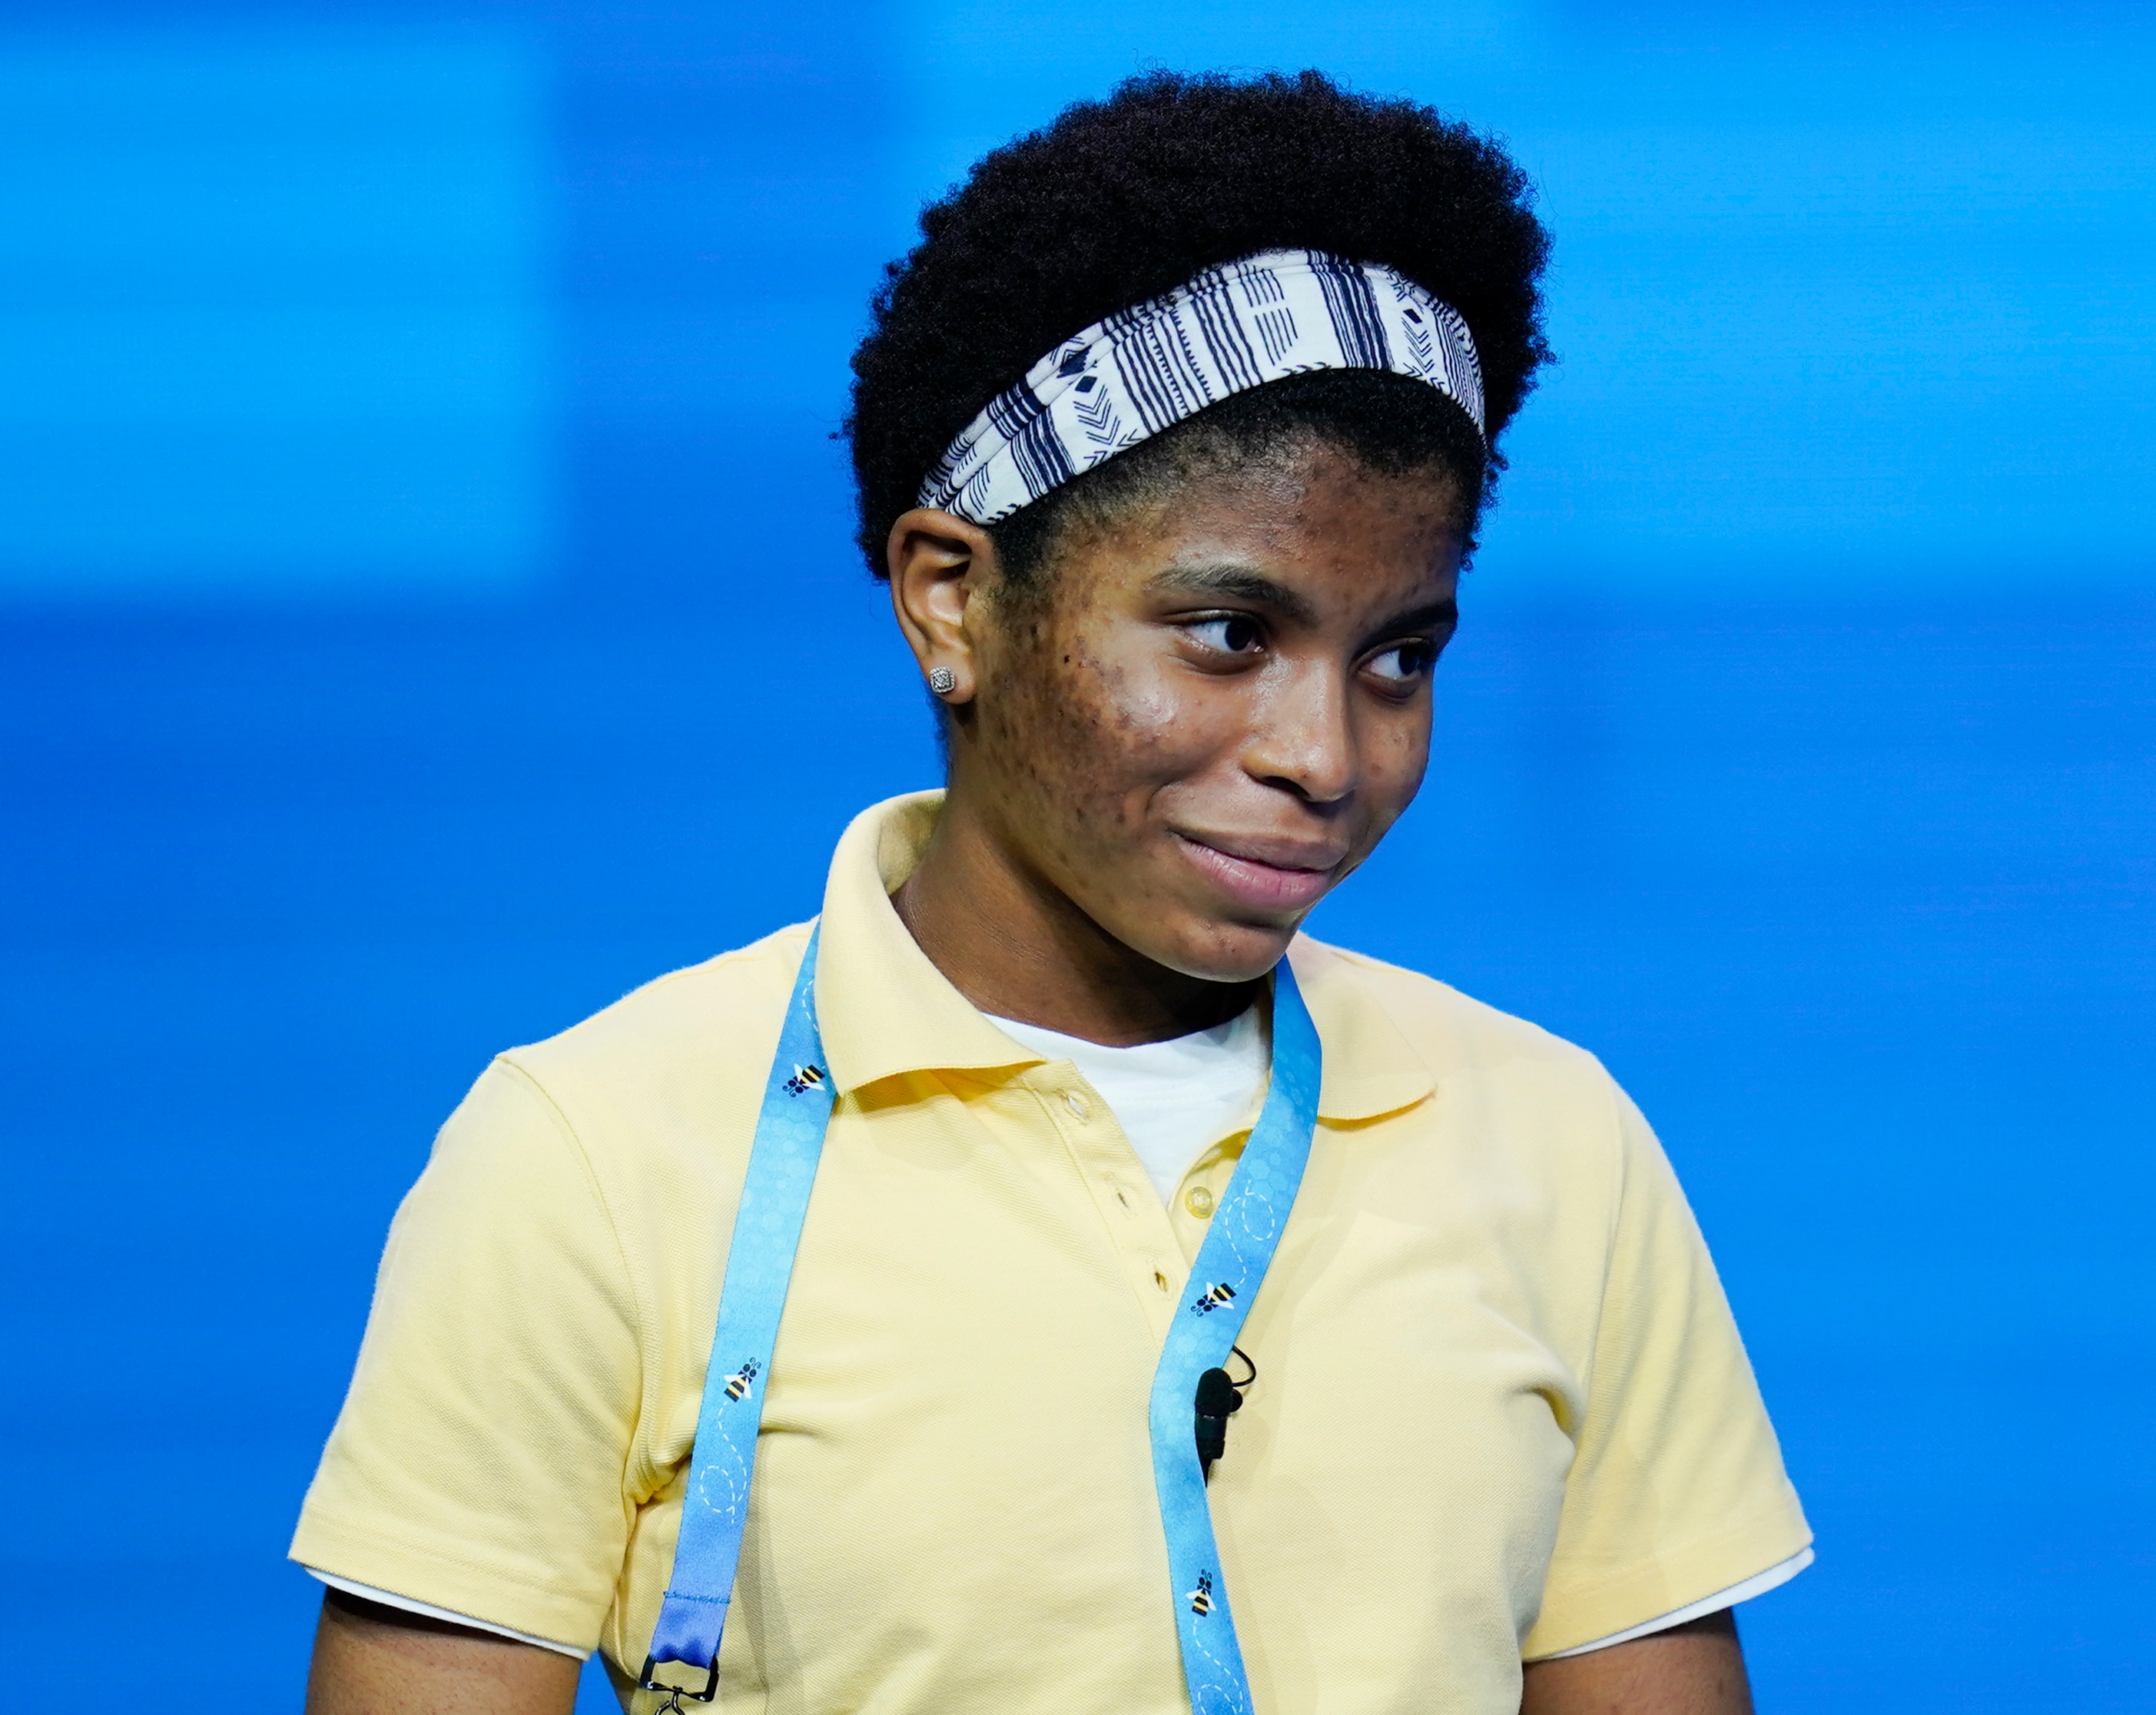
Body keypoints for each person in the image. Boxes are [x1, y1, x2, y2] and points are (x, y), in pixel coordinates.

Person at [294, 69, 1812, 1715]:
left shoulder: (1553, 1143)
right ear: (951, 600)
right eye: (1231, 633)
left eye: (1400, 656)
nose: (1327, 752)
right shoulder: (592, 1156)